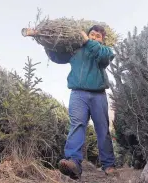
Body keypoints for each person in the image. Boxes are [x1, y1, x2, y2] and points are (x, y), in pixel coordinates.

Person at [44, 25, 117, 180]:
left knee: (103, 129)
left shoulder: (104, 51)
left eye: (98, 36)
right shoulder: (76, 50)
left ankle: (108, 164)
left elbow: (104, 58)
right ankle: (73, 163)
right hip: (78, 94)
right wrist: (47, 44)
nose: (94, 37)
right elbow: (58, 57)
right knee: (77, 125)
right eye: (92, 34)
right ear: (87, 34)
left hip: (98, 95)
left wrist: (88, 41)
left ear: (102, 40)